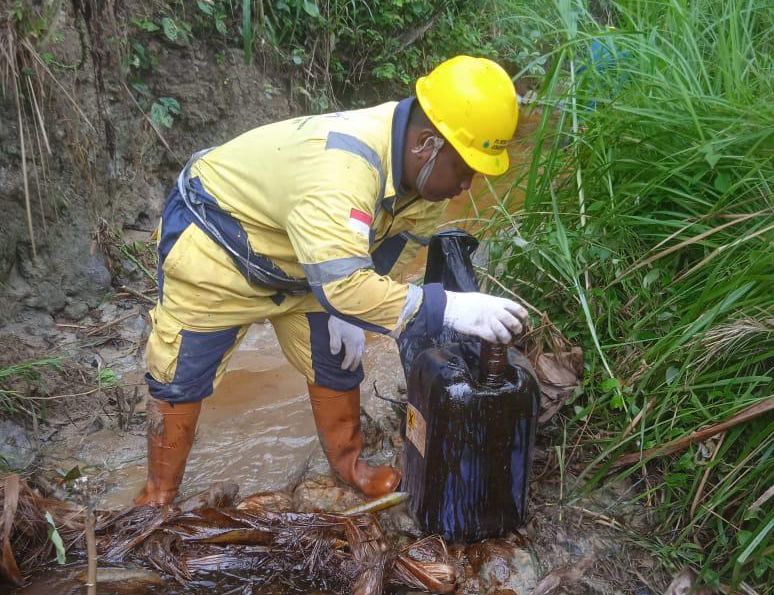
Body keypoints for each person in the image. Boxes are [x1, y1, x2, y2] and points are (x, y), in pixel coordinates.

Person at [134, 54, 528, 506]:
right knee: (181, 373)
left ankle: (349, 466)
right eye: (466, 169)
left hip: (309, 259)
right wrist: (450, 307)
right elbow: (343, 287)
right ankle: (159, 495)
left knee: (337, 357)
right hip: (219, 242)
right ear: (427, 144)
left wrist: (357, 308)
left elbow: (386, 246)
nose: (468, 185)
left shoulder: (423, 181)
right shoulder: (343, 169)